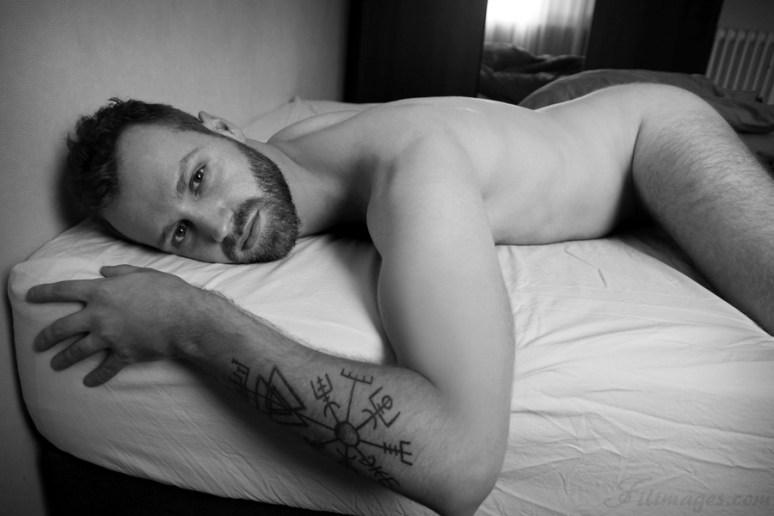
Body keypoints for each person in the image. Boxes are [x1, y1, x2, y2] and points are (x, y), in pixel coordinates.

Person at [27, 84, 774, 516]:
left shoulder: (416, 174)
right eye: (180, 234)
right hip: (577, 120)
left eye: (198, 177)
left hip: (652, 132)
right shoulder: (295, 146)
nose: (221, 226)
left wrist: (192, 321)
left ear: (222, 129)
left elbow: (462, 462)